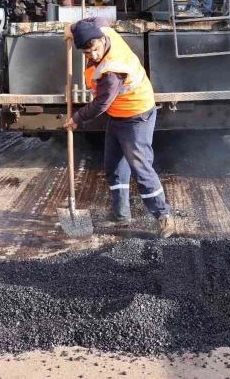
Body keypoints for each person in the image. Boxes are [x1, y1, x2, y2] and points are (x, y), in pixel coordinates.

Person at [63, 18, 175, 238]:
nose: (93, 56)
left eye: (95, 50)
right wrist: (71, 28)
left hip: (136, 116)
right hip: (118, 115)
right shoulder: (104, 30)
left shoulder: (112, 71)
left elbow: (101, 104)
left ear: (102, 41)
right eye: (87, 54)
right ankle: (121, 213)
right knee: (113, 165)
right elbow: (97, 19)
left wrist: (77, 118)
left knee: (140, 167)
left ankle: (164, 216)